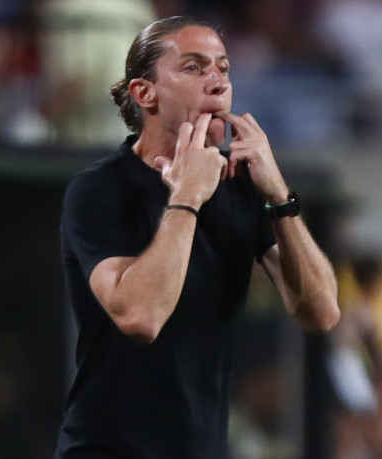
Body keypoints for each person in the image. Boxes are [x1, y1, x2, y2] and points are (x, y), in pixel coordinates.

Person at [56, 16, 341, 458]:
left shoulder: (242, 186)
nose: (217, 81)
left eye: (223, 68)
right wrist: (187, 196)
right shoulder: (99, 190)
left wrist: (279, 194)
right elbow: (141, 317)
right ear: (143, 93)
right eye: (193, 67)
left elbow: (321, 313)